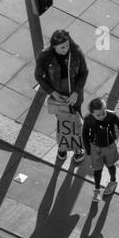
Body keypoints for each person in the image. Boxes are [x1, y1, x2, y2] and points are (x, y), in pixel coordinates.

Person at [35, 29, 89, 164]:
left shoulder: (76, 52)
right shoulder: (45, 56)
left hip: (74, 96)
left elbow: (84, 72)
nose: (66, 49)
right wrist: (52, 92)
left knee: (76, 122)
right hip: (58, 96)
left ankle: (77, 147)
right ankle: (64, 147)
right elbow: (38, 75)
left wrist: (76, 92)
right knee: (63, 122)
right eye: (62, 47)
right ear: (54, 46)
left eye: (67, 45)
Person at [82, 97, 119, 203]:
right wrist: (88, 150)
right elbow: (85, 135)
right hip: (95, 147)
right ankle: (97, 189)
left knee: (111, 165)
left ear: (106, 108)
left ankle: (113, 181)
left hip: (109, 146)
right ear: (92, 114)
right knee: (97, 169)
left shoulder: (112, 115)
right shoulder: (88, 119)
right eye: (98, 115)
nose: (102, 116)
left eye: (103, 112)